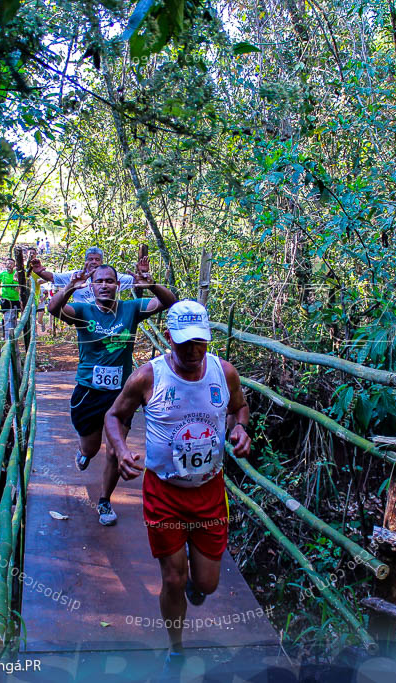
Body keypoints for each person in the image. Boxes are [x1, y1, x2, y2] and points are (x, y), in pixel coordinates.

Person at [104, 300, 251, 675]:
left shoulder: (224, 372)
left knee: (206, 583)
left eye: (200, 342)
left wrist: (240, 427)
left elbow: (240, 406)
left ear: (208, 339)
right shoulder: (147, 377)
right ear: (169, 337)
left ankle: (196, 588)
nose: (192, 350)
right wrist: (120, 450)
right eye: (184, 342)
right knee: (172, 577)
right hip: (164, 492)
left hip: (209, 491)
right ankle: (176, 647)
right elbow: (115, 415)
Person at [48, 260, 176, 526]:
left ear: (118, 285)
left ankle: (104, 501)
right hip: (89, 392)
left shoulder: (131, 309)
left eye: (109, 281)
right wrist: (70, 286)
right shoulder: (83, 311)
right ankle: (83, 452)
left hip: (121, 395)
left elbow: (168, 302)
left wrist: (150, 283)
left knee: (115, 451)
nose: (104, 285)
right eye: (99, 281)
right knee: (92, 449)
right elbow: (53, 309)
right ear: (92, 286)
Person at [30, 247, 138, 304]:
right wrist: (40, 272)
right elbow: (53, 277)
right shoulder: (75, 276)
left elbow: (135, 281)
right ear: (86, 261)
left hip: (107, 320)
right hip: (83, 320)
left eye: (97, 259)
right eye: (90, 259)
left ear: (102, 261)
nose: (94, 262)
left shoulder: (111, 277)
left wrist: (143, 275)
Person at [0, 259, 22, 338]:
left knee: (14, 317)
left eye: (11, 264)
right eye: (7, 264)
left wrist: (17, 285)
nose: (9, 265)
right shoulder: (3, 274)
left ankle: (14, 335)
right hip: (5, 298)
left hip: (15, 299)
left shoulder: (16, 274)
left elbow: (19, 287)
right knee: (6, 317)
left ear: (14, 265)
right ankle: (6, 335)